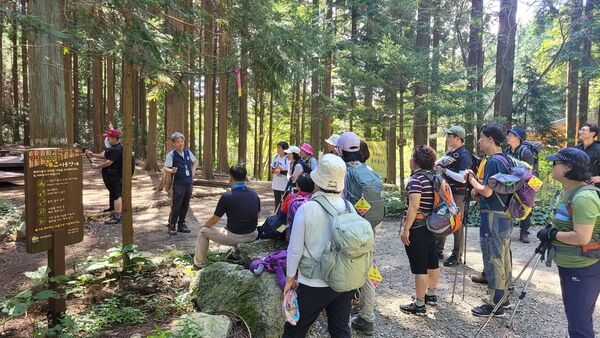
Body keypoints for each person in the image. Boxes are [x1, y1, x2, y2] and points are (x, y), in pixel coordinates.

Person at [283, 154, 355, 337]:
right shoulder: (348, 206)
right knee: (340, 329)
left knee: (295, 329)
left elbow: (295, 249)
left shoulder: (307, 209)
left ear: (317, 180)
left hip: (313, 282)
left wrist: (290, 278)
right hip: (343, 281)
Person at [538, 147, 600, 338]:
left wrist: (552, 234)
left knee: (579, 324)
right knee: (575, 317)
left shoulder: (584, 197)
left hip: (582, 268)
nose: (552, 165)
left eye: (555, 162)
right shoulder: (565, 191)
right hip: (569, 266)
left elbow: (582, 237)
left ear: (568, 167)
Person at [464, 123, 513, 317]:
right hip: (504, 214)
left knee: (493, 257)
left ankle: (495, 303)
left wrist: (471, 180)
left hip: (492, 215)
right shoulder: (507, 160)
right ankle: (504, 298)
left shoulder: (493, 161)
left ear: (490, 140)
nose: (479, 141)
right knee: (503, 256)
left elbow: (487, 190)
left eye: (482, 138)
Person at [399, 145, 441, 316]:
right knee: (432, 261)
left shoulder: (416, 179)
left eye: (411, 157)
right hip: (432, 225)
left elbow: (414, 206)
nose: (410, 160)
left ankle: (419, 304)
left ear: (416, 160)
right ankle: (430, 294)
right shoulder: (433, 177)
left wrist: (406, 229)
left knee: (420, 267)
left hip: (418, 227)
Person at [193, 164, 260, 269]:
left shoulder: (227, 196)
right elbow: (256, 215)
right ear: (245, 178)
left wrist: (204, 226)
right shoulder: (254, 194)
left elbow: (214, 220)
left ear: (230, 179)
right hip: (253, 234)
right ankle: (236, 254)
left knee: (203, 232)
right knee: (234, 225)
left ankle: (198, 264)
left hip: (236, 237)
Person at [435, 125, 472, 266]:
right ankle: (438, 249)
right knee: (442, 218)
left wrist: (445, 170)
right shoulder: (450, 153)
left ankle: (457, 255)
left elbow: (463, 178)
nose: (447, 138)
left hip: (458, 193)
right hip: (446, 191)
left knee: (456, 223)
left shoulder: (464, 155)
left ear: (458, 138)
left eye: (449, 136)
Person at [86, 129, 123, 225]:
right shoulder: (113, 147)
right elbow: (105, 156)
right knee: (114, 193)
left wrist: (97, 166)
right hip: (110, 175)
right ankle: (114, 211)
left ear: (114, 138)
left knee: (116, 195)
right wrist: (93, 155)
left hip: (114, 176)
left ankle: (118, 216)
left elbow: (108, 162)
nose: (107, 139)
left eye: (109, 137)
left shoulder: (117, 149)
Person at [164, 132, 198, 235]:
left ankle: (181, 224)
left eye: (182, 141)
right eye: (178, 142)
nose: (181, 144)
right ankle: (172, 225)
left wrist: (193, 172)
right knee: (176, 205)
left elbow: (195, 161)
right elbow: (165, 168)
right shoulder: (171, 155)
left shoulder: (187, 152)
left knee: (185, 204)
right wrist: (171, 171)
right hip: (178, 183)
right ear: (174, 143)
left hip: (188, 182)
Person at [505, 127, 535, 243]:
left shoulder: (525, 151)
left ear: (518, 137)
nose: (507, 137)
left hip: (529, 181)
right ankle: (507, 230)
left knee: (526, 205)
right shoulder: (506, 151)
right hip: (513, 181)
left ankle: (524, 233)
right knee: (509, 204)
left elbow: (529, 170)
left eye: (510, 135)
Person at [576, 122, 600, 188]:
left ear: (592, 134)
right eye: (580, 130)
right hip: (578, 185)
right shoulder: (577, 148)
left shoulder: (598, 148)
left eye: (583, 130)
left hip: (596, 188)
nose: (580, 132)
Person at [271, 141, 290, 212]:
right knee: (277, 203)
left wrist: (280, 171)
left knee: (284, 204)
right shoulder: (276, 157)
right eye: (277, 148)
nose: (277, 149)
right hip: (276, 185)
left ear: (284, 149)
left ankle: (284, 220)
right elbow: (272, 168)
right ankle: (276, 218)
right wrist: (274, 170)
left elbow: (289, 172)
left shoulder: (287, 158)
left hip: (284, 186)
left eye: (279, 148)